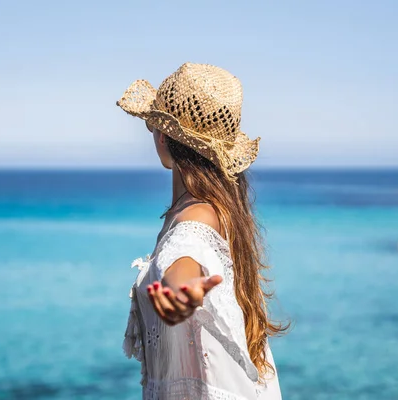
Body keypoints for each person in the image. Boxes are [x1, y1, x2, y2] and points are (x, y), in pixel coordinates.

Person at [117, 62, 286, 399]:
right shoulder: (221, 207)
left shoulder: (195, 218)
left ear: (162, 136)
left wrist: (181, 292)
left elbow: (185, 258)